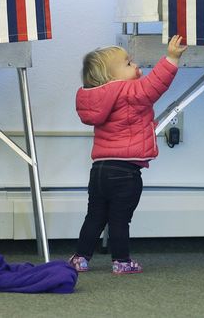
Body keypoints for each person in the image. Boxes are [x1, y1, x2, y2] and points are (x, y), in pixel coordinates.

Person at [69, 35, 187, 275]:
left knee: (95, 216)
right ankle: (121, 261)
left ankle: (80, 258)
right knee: (120, 219)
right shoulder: (128, 91)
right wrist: (171, 58)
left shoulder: (96, 97)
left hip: (99, 170)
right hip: (126, 172)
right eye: (129, 64)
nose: (136, 66)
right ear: (111, 77)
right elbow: (155, 84)